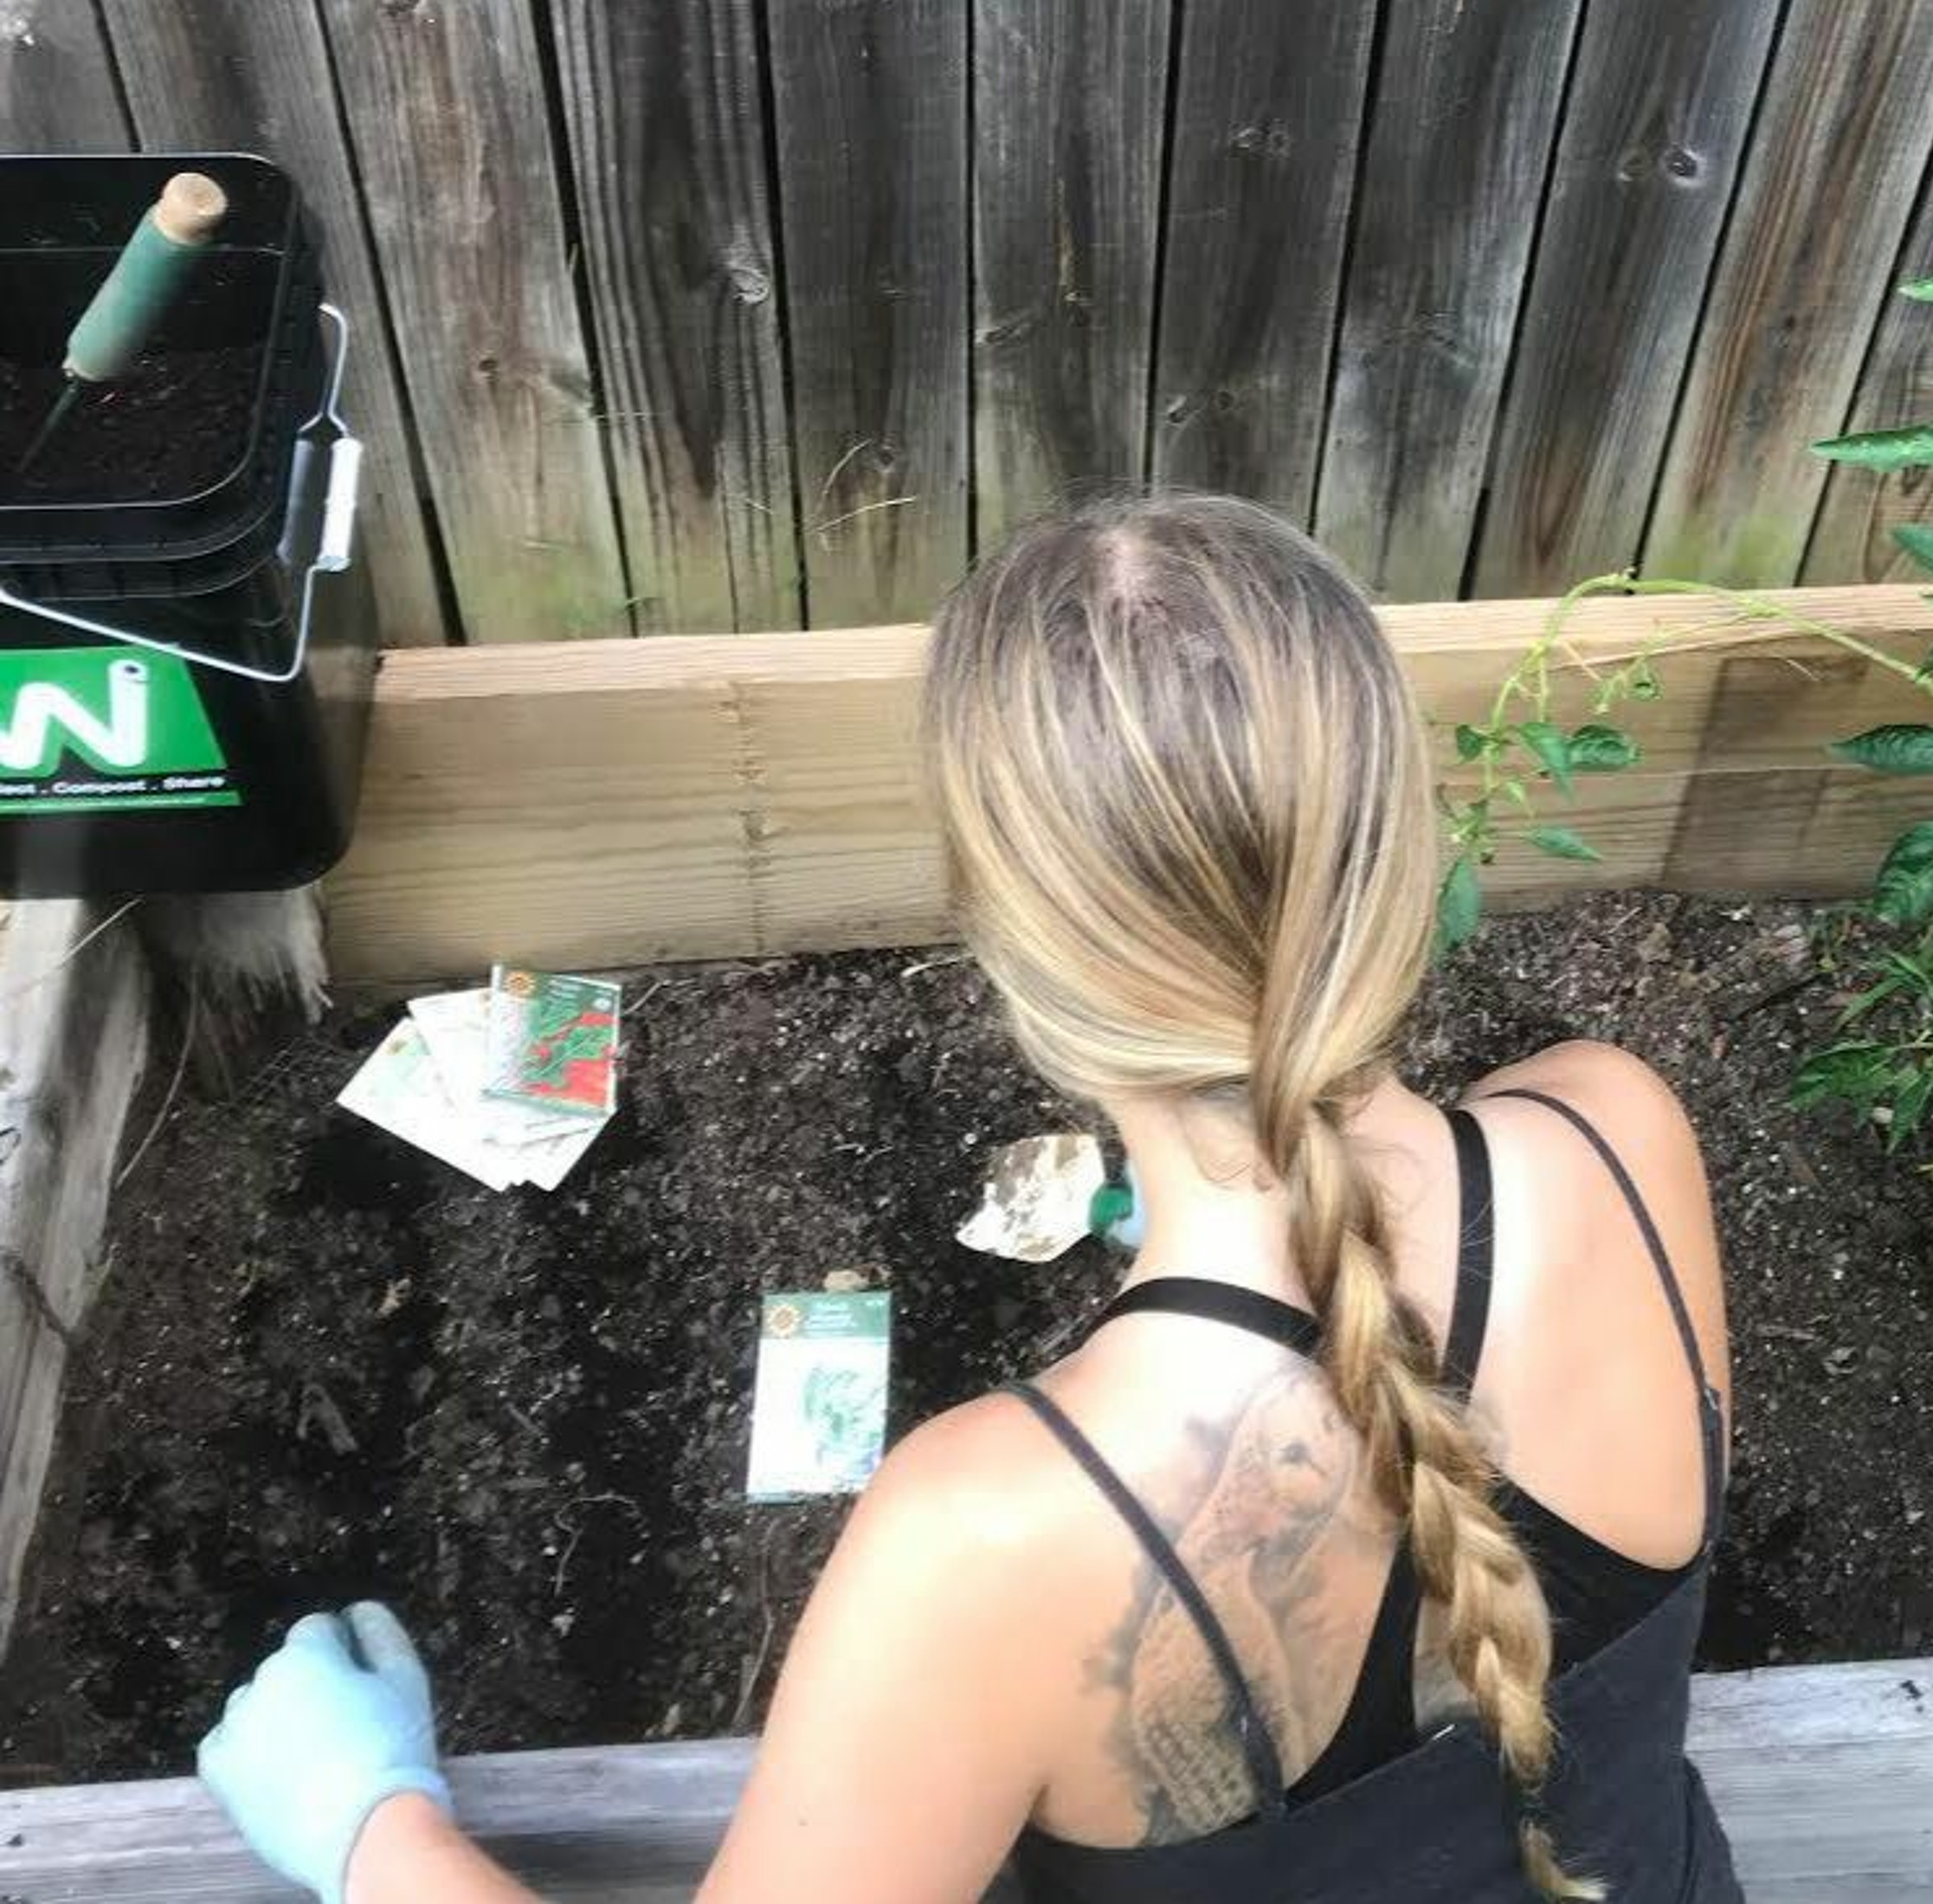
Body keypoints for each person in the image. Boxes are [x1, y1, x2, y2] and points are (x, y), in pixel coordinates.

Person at [199, 496, 1742, 1903]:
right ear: (1401, 845)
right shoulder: (1614, 1131)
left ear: (1014, 954)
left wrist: (369, 1827)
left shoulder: (992, 1542)